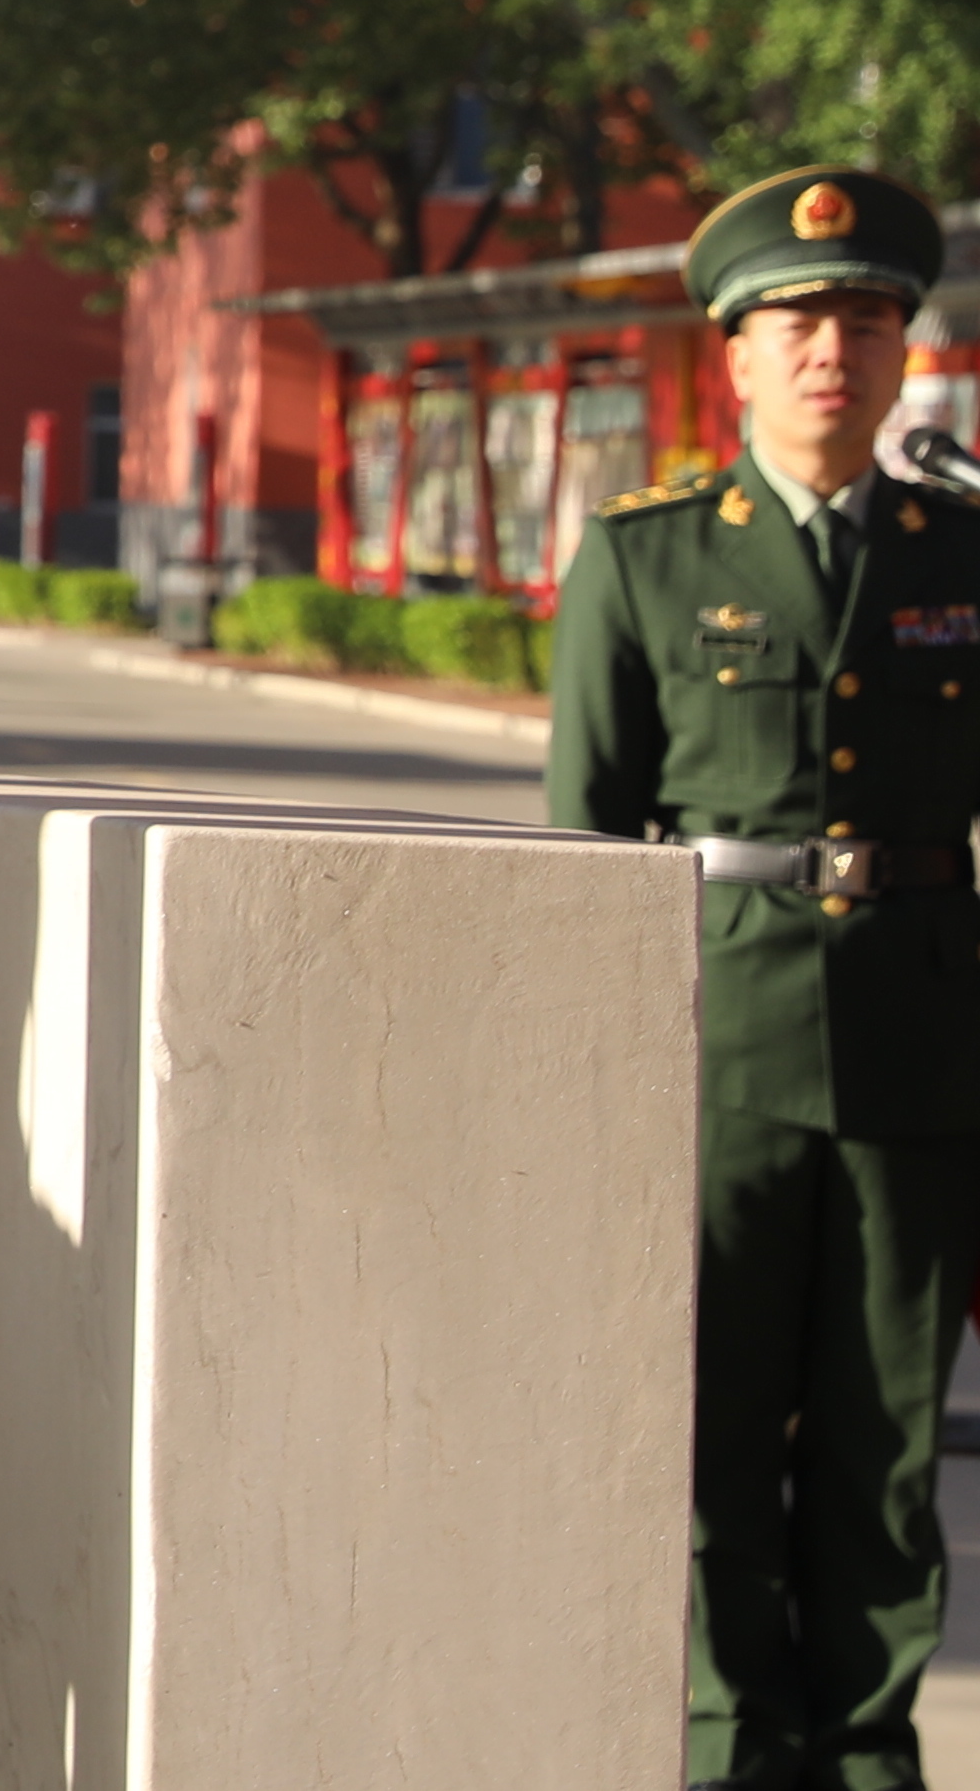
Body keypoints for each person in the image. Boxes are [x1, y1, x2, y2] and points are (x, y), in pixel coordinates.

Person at [555, 162, 980, 1791]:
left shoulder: (963, 554)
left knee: (882, 1446)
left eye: (868, 319)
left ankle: (867, 1753)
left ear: (901, 358)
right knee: (713, 1438)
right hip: (712, 1055)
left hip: (922, 1056)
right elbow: (588, 851)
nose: (834, 351)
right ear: (732, 358)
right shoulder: (650, 556)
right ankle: (732, 1748)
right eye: (798, 321)